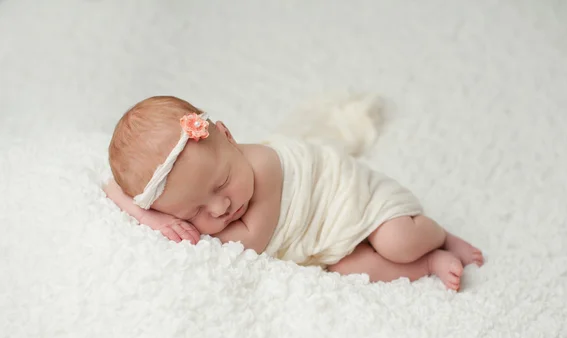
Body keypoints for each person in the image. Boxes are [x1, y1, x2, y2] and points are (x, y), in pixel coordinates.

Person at [104, 95, 484, 291]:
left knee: (399, 241)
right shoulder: (219, 185)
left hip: (349, 199)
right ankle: (428, 264)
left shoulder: (263, 167)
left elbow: (247, 242)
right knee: (349, 271)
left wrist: (166, 221)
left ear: (230, 137)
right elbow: (110, 188)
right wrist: (145, 212)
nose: (221, 207)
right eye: (193, 212)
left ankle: (439, 235)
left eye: (221, 184)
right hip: (324, 239)